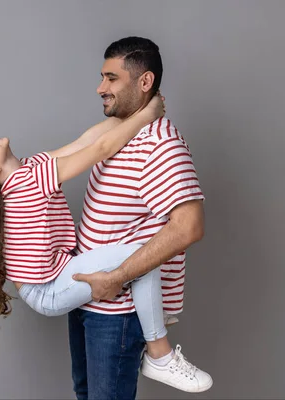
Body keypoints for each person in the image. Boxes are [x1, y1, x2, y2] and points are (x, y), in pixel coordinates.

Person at [0, 94, 187, 390]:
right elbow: (100, 148)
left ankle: (155, 315)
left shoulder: (29, 170)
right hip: (48, 290)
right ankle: (159, 351)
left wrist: (127, 114)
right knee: (142, 256)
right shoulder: (31, 181)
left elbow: (84, 141)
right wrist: (147, 115)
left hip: (46, 282)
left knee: (139, 260)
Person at [67, 36, 213, 399]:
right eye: (102, 77)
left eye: (111, 78)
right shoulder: (120, 134)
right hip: (86, 298)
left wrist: (116, 278)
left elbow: (188, 226)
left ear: (144, 82)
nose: (101, 88)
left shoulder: (162, 143)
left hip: (117, 310)